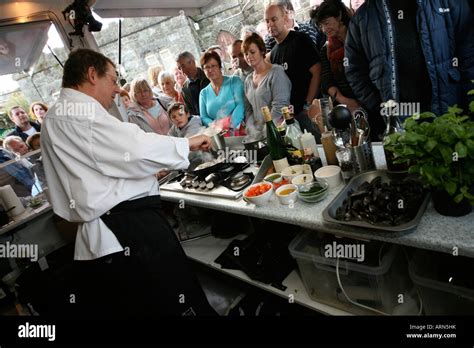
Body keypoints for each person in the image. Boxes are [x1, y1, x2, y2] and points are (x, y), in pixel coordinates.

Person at [40, 48, 216, 317]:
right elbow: (133, 147)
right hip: (129, 228)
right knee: (175, 300)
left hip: (105, 232)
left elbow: (102, 165)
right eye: (112, 80)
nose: (117, 89)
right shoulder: (77, 112)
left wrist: (146, 172)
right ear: (91, 75)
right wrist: (188, 142)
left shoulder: (53, 118)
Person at [345, 0, 474, 140]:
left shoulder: (450, 4)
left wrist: (469, 107)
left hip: (449, 110)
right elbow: (354, 70)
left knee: (447, 156)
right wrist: (379, 105)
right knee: (408, 158)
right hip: (402, 118)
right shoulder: (363, 17)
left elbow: (469, 59)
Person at [265, 3, 322, 141]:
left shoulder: (300, 39)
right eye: (267, 21)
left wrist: (307, 105)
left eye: (274, 19)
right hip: (291, 119)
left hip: (308, 111)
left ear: (285, 19)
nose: (270, 24)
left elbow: (317, 72)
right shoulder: (273, 54)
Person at [312, 0, 360, 112]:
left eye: (327, 23)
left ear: (339, 16)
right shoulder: (326, 49)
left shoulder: (360, 38)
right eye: (321, 25)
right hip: (347, 106)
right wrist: (344, 100)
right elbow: (327, 81)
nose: (324, 29)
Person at [242, 33, 292, 133]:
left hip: (279, 129)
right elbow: (248, 110)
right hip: (260, 132)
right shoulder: (247, 81)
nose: (249, 56)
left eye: (252, 52)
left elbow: (280, 105)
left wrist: (267, 129)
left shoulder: (276, 72)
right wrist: (251, 128)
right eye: (246, 54)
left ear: (262, 51)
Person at [199, 51, 245, 134]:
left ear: (220, 66)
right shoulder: (203, 93)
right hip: (218, 133)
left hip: (239, 129)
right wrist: (217, 127)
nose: (210, 70)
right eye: (206, 67)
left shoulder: (234, 81)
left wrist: (231, 125)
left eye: (213, 66)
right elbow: (204, 117)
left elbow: (241, 104)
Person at [176, 51, 210, 116]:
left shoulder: (208, 76)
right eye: (180, 68)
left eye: (183, 66)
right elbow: (191, 112)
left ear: (192, 62)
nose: (182, 71)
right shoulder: (184, 89)